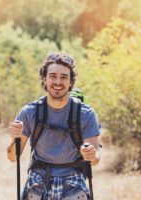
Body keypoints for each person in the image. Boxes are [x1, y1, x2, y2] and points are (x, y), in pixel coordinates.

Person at [7, 52, 101, 200]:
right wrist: (15, 138)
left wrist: (91, 154)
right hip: (38, 184)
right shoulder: (30, 112)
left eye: (64, 77)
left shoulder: (85, 113)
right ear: (44, 79)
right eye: (52, 76)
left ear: (71, 82)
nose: (58, 81)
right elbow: (13, 157)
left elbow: (95, 160)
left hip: (73, 184)